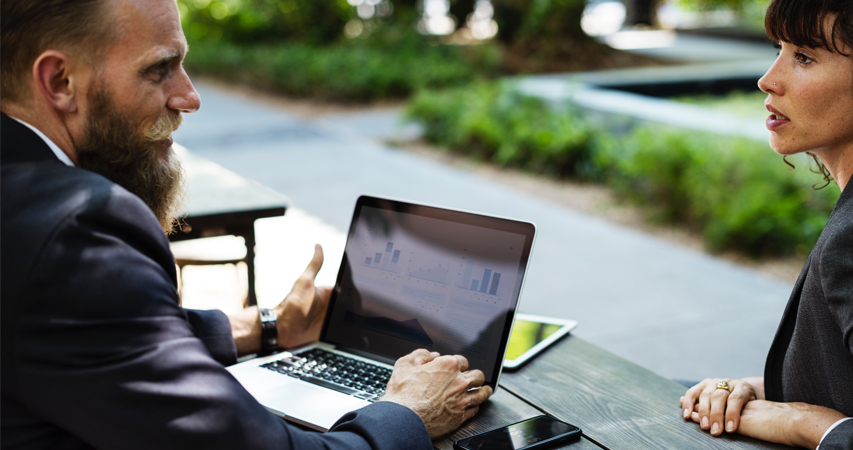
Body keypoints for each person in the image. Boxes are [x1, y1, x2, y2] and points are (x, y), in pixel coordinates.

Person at [0, 0, 491, 448]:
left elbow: (92, 336)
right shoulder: (79, 228)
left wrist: (269, 326)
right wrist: (406, 411)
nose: (189, 97)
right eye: (159, 70)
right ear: (60, 81)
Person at [679, 0, 853, 448]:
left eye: (804, 57)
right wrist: (757, 390)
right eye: (779, 48)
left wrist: (805, 425)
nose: (768, 79)